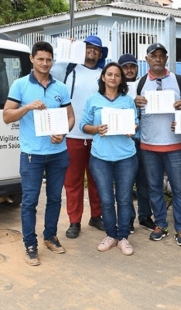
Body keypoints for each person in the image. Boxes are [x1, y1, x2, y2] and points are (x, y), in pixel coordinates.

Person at [3, 41, 75, 266]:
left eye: (49, 59)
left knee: (54, 198)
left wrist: (63, 132)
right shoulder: (20, 85)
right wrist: (27, 108)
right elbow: (6, 116)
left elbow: (70, 117)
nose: (45, 63)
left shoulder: (61, 87)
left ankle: (50, 237)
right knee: (29, 201)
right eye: (40, 59)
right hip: (32, 154)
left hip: (58, 153)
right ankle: (30, 244)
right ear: (31, 59)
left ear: (53, 61)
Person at [134, 43, 181, 246]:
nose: (158, 59)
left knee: (179, 189)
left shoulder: (179, 80)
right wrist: (135, 103)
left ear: (166, 59)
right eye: (153, 55)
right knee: (154, 189)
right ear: (147, 59)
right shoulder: (139, 84)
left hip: (174, 146)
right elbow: (133, 114)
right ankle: (160, 224)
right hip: (149, 146)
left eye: (161, 55)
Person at [80, 62, 139, 256]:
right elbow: (84, 125)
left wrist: (132, 129)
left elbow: (136, 124)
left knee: (123, 199)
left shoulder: (127, 100)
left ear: (121, 79)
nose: (113, 78)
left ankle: (123, 237)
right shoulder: (93, 100)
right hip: (100, 157)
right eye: (109, 74)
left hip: (126, 157)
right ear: (103, 77)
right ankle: (111, 235)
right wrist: (97, 129)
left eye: (117, 75)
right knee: (106, 199)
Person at [51, 36, 106, 239]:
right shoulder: (67, 69)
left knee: (97, 179)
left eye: (96, 49)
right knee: (72, 181)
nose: (92, 51)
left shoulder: (104, 74)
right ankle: (75, 221)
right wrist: (67, 50)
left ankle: (97, 215)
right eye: (88, 47)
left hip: (98, 135)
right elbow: (51, 68)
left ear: (101, 54)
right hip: (73, 134)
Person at [118, 53, 156, 232]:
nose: (129, 70)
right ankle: (128, 219)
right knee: (126, 182)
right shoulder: (116, 88)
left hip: (144, 139)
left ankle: (145, 216)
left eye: (132, 66)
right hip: (125, 140)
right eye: (125, 67)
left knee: (144, 181)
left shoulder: (144, 84)